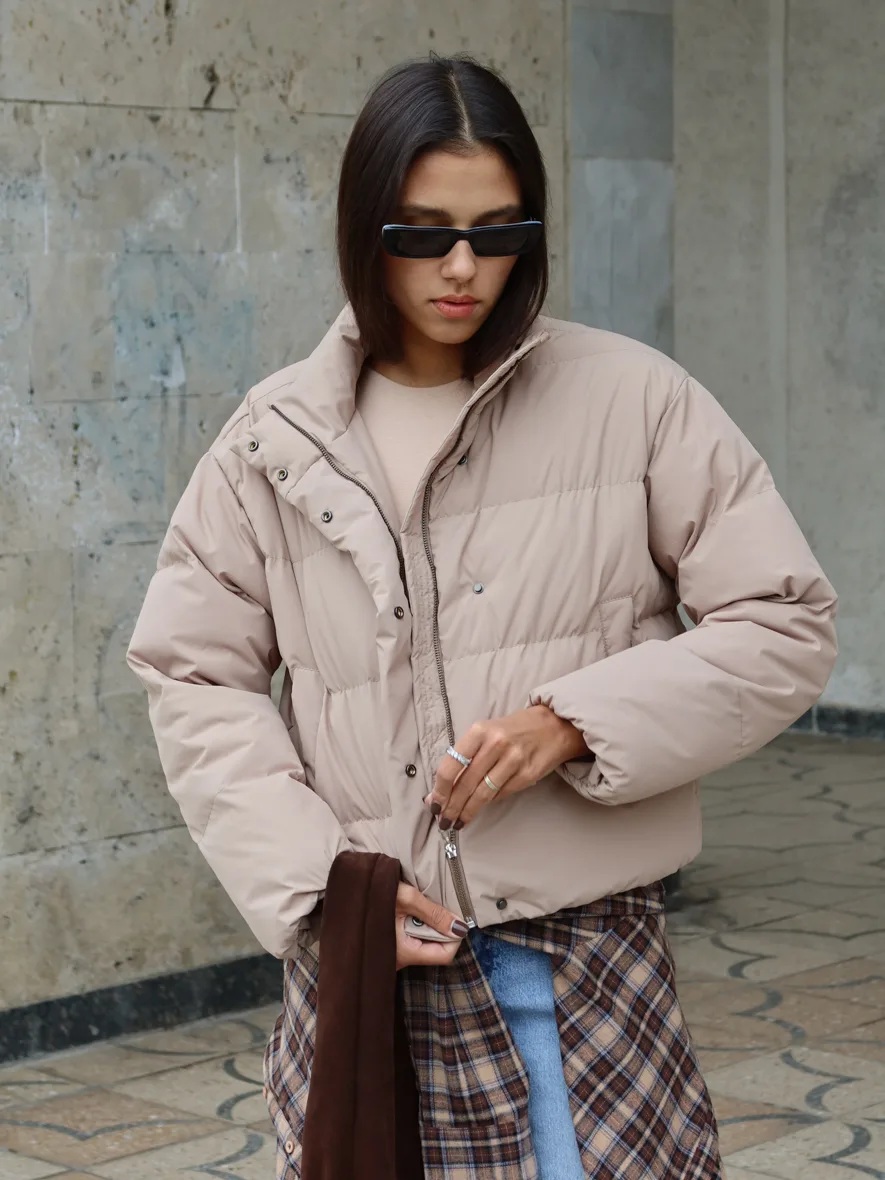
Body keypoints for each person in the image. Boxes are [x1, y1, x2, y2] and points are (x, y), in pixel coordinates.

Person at [127, 54, 837, 1180]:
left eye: (496, 231)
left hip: (580, 972)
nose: (463, 268)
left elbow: (783, 619)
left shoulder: (634, 401)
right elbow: (192, 673)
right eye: (422, 234)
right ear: (364, 230)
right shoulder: (271, 440)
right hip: (373, 972)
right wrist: (319, 890)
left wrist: (573, 721)